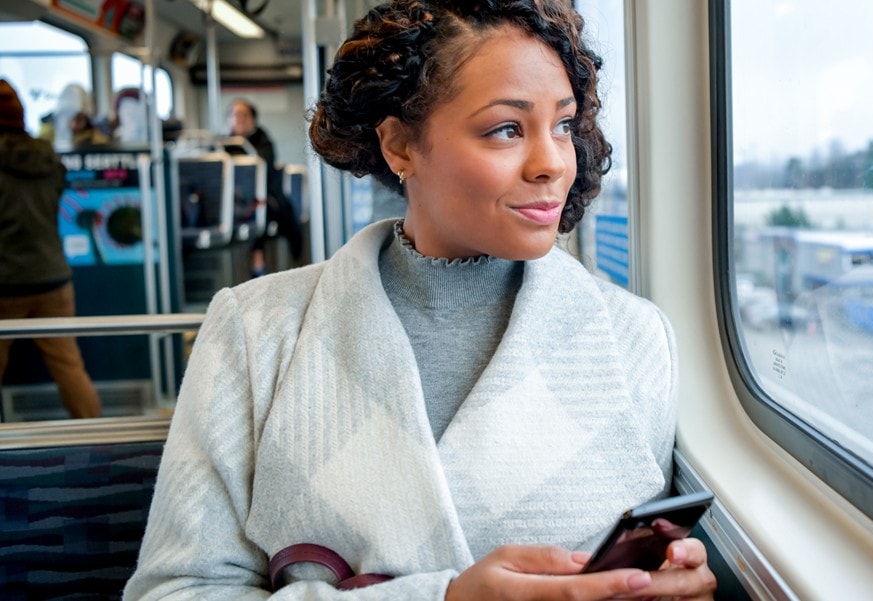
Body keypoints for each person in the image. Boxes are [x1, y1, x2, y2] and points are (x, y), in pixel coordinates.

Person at [125, 1, 716, 599]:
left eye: (563, 125)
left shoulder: (637, 338)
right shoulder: (255, 332)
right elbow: (175, 591)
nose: (553, 164)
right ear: (400, 146)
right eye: (506, 129)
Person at [0, 79, 102, 420]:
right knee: (69, 366)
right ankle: (96, 439)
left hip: (6, 281)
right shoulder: (49, 157)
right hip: (53, 277)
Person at [227, 99, 304, 274]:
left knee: (261, 210)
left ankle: (258, 262)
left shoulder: (263, 143)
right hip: (233, 200)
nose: (239, 119)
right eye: (235, 115)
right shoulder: (224, 144)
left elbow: (262, 172)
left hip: (262, 196)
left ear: (253, 119)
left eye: (244, 115)